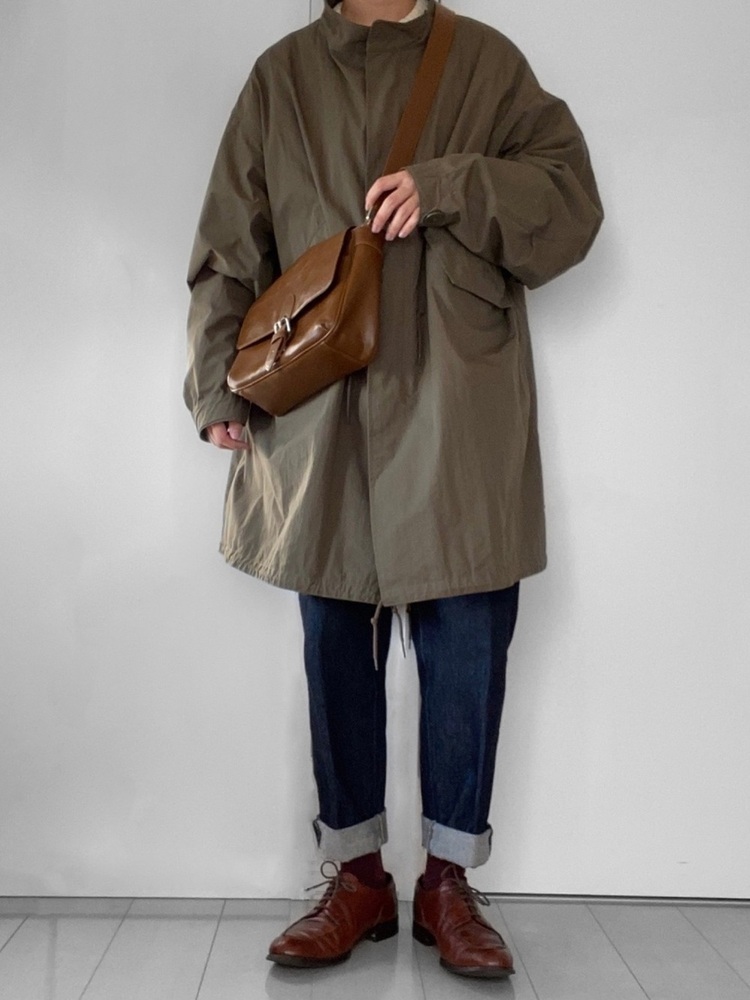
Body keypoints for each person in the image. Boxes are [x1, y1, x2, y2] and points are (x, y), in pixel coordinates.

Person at [184, 0, 602, 980]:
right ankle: (358, 878)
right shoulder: (283, 76)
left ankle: (450, 883)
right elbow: (229, 244)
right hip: (320, 414)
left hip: (460, 408)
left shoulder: (487, 63)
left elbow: (569, 207)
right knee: (334, 642)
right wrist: (215, 385)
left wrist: (451, 184)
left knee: (468, 643)